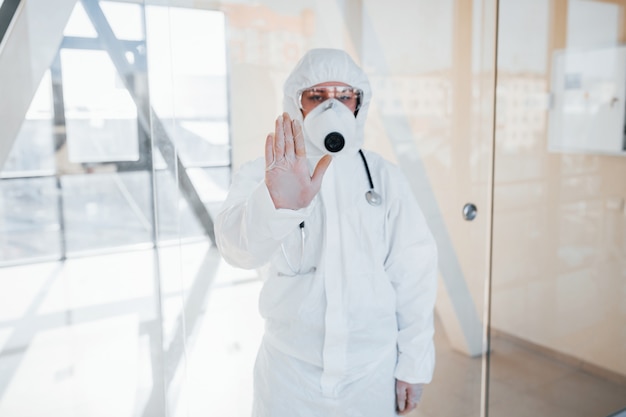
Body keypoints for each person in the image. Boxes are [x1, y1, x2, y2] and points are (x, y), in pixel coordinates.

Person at [214, 48, 438, 417]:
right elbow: (236, 250)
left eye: (343, 97)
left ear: (358, 104)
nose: (331, 109)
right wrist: (276, 203)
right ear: (296, 103)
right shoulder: (266, 173)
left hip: (371, 372)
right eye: (317, 97)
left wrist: (413, 365)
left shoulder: (383, 178)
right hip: (290, 376)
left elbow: (414, 275)